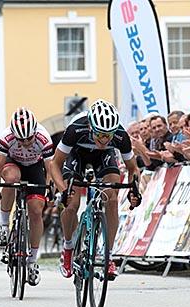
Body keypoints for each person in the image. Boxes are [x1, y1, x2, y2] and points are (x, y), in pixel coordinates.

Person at [49, 99, 142, 280]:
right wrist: (63, 190)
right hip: (77, 155)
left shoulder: (121, 136)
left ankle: (108, 255)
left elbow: (133, 169)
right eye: (100, 134)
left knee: (112, 198)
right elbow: (55, 164)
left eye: (108, 135)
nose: (104, 139)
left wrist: (134, 190)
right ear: (91, 127)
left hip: (104, 157)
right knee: (72, 203)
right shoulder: (76, 129)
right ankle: (68, 248)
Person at [0, 107, 54, 286]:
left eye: (28, 138)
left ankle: (32, 261)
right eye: (20, 139)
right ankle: (3, 226)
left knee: (35, 211)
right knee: (10, 178)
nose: (25, 142)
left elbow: (50, 169)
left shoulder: (43, 137)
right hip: (13, 164)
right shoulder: (6, 137)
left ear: (34, 132)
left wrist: (51, 189)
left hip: (34, 168)